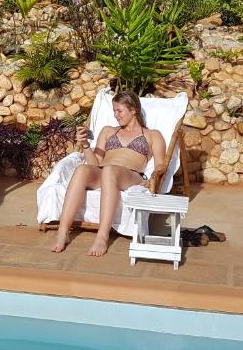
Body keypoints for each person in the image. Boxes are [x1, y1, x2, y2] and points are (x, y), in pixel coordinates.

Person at [51, 91, 166, 257]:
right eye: (114, 111)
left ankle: (102, 236)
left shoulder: (152, 135)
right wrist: (84, 145)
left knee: (110, 171)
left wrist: (154, 178)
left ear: (133, 110)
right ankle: (63, 232)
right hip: (104, 172)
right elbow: (95, 163)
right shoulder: (107, 131)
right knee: (82, 169)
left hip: (130, 175)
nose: (115, 115)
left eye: (119, 111)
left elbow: (161, 164)